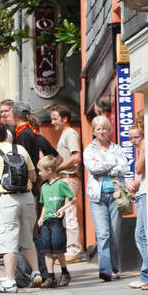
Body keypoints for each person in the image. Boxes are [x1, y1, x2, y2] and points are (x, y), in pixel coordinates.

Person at [0, 121, 40, 294]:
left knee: (7, 241)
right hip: (27, 198)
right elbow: (33, 177)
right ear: (7, 135)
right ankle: (36, 273)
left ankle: (10, 281)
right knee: (27, 237)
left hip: (6, 200)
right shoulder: (20, 149)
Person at [84, 115, 127, 281]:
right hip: (98, 197)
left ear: (109, 130)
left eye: (104, 128)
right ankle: (105, 270)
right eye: (98, 129)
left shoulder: (117, 148)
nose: (101, 131)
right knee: (103, 234)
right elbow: (94, 168)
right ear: (94, 131)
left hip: (116, 195)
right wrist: (112, 163)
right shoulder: (89, 150)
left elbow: (123, 166)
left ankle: (114, 268)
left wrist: (109, 168)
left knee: (114, 233)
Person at [49, 105, 83, 261]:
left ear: (65, 119)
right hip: (65, 178)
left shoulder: (70, 133)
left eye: (55, 118)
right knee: (66, 214)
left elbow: (76, 157)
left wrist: (57, 168)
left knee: (69, 214)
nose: (52, 122)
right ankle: (70, 248)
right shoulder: (65, 134)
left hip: (69, 178)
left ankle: (74, 250)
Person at [35, 156, 74, 288]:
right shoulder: (44, 187)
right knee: (46, 249)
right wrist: (41, 217)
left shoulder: (61, 184)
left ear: (49, 170)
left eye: (40, 171)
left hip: (57, 221)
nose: (39, 174)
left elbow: (72, 199)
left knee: (58, 249)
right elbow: (44, 204)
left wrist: (63, 209)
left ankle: (64, 272)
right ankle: (51, 277)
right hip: (46, 221)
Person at [127, 123, 147, 291]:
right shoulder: (139, 149)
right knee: (140, 235)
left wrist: (135, 182)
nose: (134, 141)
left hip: (144, 193)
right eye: (131, 138)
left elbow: (140, 169)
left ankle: (147, 276)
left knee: (142, 236)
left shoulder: (144, 147)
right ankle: (145, 275)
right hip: (140, 194)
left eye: (136, 137)